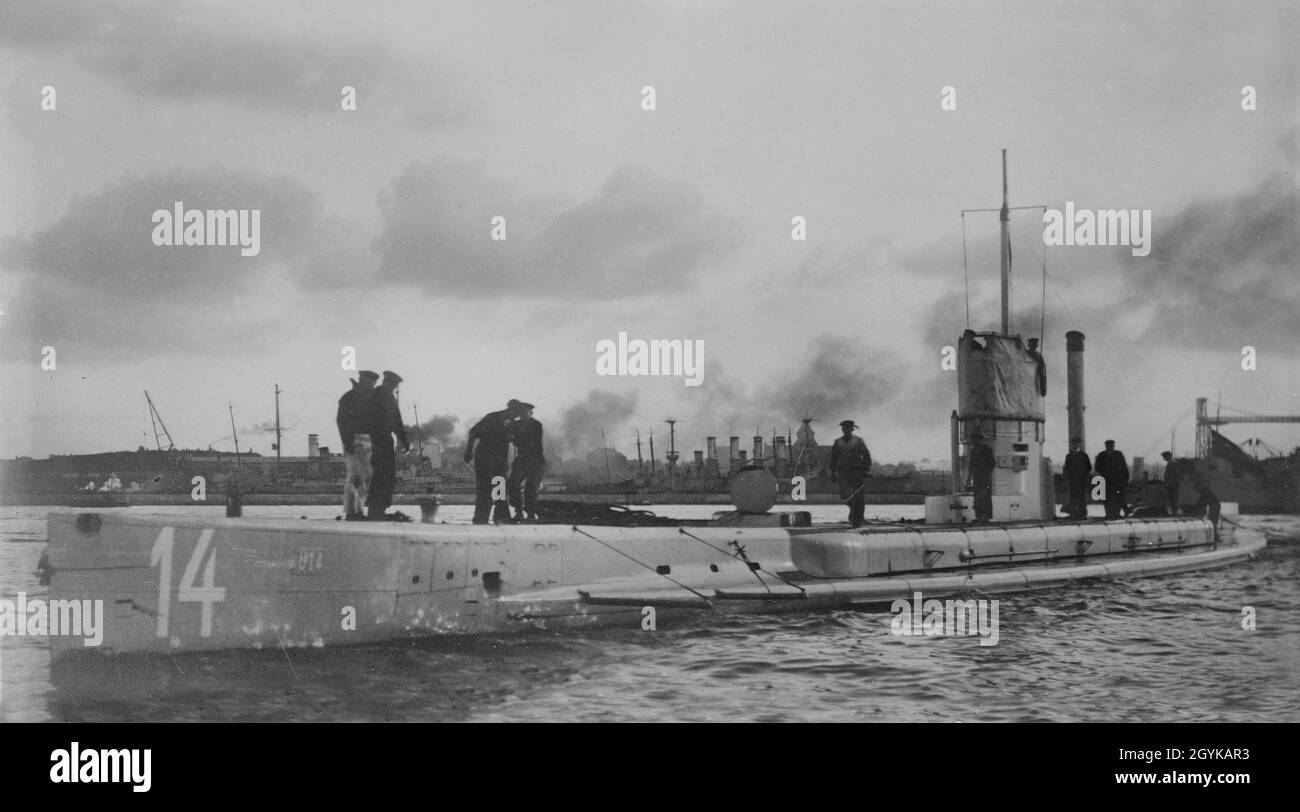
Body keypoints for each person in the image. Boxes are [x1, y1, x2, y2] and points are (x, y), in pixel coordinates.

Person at [465, 399, 525, 524]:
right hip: (484, 457)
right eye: (515, 413)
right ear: (510, 409)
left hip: (500, 459)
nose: (516, 416)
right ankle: (481, 519)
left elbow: (516, 440)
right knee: (484, 488)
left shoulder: (513, 424)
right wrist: (469, 450)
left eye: (517, 415)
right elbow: (473, 433)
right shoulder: (491, 418)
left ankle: (501, 518)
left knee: (500, 488)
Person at [366, 370, 411, 521]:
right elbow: (396, 420)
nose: (394, 387)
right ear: (391, 383)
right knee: (384, 476)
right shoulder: (386, 395)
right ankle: (377, 510)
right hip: (382, 441)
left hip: (375, 441)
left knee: (379, 476)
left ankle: (376, 510)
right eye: (395, 384)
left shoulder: (375, 394)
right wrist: (404, 440)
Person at [336, 370, 379, 520]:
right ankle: (352, 511)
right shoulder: (350, 398)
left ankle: (356, 510)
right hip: (355, 440)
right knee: (355, 477)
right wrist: (348, 443)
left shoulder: (355, 397)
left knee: (364, 478)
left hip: (365, 441)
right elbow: (342, 422)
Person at [507, 402, 545, 522]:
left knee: (531, 487)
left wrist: (516, 438)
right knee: (513, 484)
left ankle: (530, 513)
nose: (523, 414)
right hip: (522, 458)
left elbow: (533, 440)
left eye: (525, 412)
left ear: (530, 412)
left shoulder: (536, 424)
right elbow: (509, 434)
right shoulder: (516, 424)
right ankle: (518, 511)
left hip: (535, 459)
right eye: (521, 412)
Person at [829, 420, 872, 527]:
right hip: (843, 472)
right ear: (842, 429)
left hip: (856, 472)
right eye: (844, 428)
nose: (846, 430)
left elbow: (866, 456)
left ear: (852, 429)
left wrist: (865, 470)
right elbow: (833, 458)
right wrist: (833, 472)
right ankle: (854, 513)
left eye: (848, 428)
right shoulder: (838, 442)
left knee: (859, 496)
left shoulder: (858, 441)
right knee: (844, 496)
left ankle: (858, 519)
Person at [1094, 439, 1130, 519]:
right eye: (1109, 446)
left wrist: (1125, 479)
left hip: (1117, 481)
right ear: (1106, 446)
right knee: (1106, 498)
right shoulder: (1101, 455)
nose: (1110, 447)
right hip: (1106, 480)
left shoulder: (1118, 454)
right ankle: (1108, 514)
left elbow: (1124, 467)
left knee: (1118, 497)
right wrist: (1104, 473)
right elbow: (1097, 467)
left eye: (1112, 445)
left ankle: (1117, 514)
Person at [968, 429, 996, 523]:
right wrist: (969, 478)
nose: (973, 441)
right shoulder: (973, 452)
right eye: (973, 438)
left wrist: (988, 477)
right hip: (977, 477)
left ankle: (985, 517)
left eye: (975, 438)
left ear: (979, 439)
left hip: (985, 477)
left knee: (984, 496)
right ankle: (979, 516)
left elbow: (991, 465)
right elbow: (971, 466)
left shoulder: (986, 451)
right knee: (977, 497)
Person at [1062, 436, 1091, 519]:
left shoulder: (1084, 455)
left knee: (1081, 497)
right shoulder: (1069, 456)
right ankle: (1073, 513)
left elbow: (1088, 467)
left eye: (1077, 443)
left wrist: (1083, 475)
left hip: (1081, 480)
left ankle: (1083, 514)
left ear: (1079, 444)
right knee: (1073, 497)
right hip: (1072, 480)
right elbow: (1067, 468)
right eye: (1073, 443)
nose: (1075, 445)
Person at [1161, 451, 1187, 515]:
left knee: (1174, 498)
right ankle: (1174, 512)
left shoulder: (1173, 463)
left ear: (1168, 456)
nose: (1164, 458)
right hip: (1171, 484)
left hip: (1173, 485)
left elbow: (1176, 475)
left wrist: (1173, 483)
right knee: (1172, 499)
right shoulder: (1171, 462)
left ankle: (1174, 512)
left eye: (1164, 457)